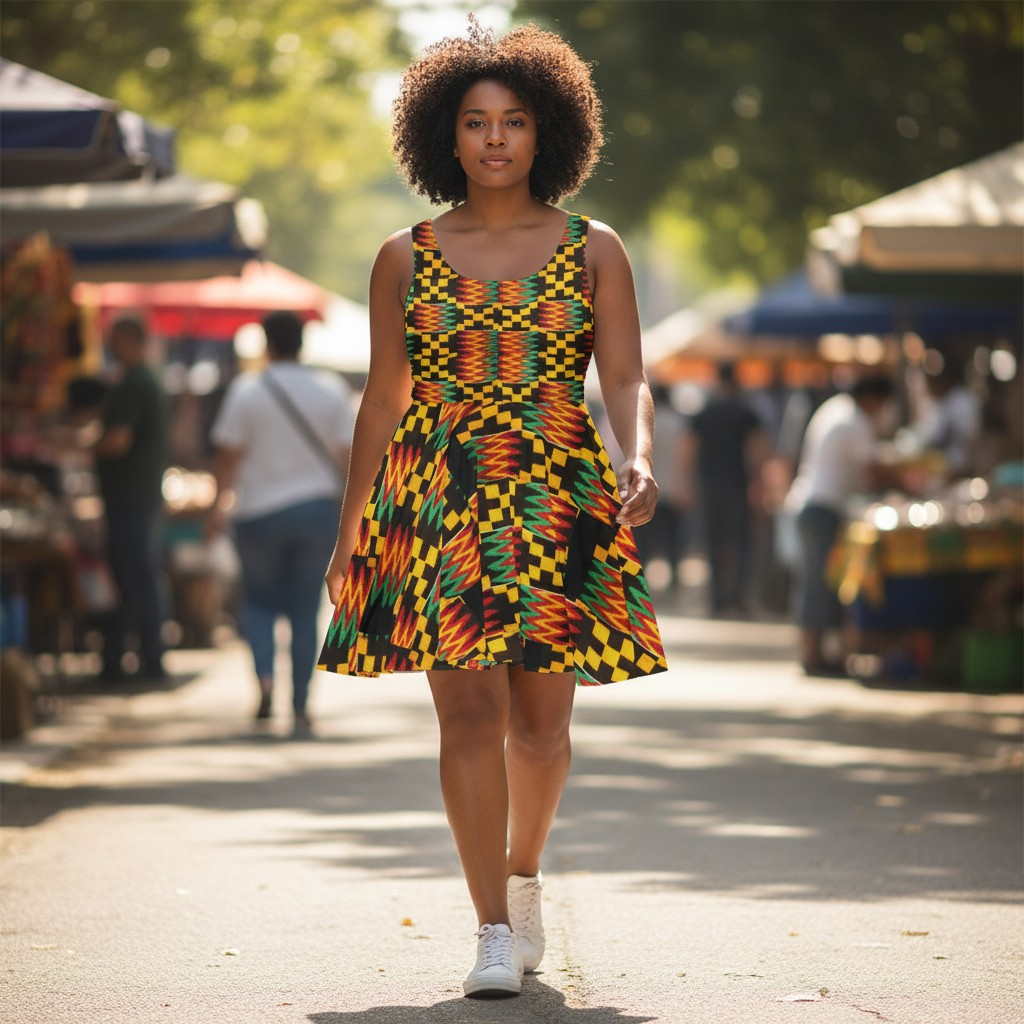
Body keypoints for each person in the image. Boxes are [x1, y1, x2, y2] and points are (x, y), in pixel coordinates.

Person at [317, 21, 667, 1000]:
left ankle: (522, 872)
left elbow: (628, 375)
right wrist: (353, 529)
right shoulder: (403, 256)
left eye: (513, 120)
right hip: (438, 493)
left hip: (558, 488)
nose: (495, 139)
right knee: (466, 708)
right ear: (445, 134)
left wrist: (637, 456)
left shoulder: (595, 249)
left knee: (541, 728)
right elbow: (383, 400)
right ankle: (488, 928)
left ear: (548, 128)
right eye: (474, 122)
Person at [208, 311, 353, 735]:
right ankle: (302, 703)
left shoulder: (247, 391)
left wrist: (217, 508)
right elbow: (347, 457)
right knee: (305, 610)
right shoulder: (329, 390)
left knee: (258, 604)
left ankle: (266, 684)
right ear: (302, 344)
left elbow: (228, 457)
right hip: (316, 513)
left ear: (266, 345)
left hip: (258, 514)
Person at [784, 374, 898, 676]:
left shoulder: (836, 410)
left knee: (818, 582)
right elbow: (872, 469)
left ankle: (816, 653)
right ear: (874, 399)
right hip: (822, 508)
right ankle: (812, 655)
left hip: (813, 505)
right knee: (818, 584)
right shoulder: (853, 420)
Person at [94, 315, 170, 682]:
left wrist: (83, 447)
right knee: (137, 576)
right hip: (137, 495)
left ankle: (149, 659)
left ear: (127, 339)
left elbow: (117, 440)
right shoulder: (144, 379)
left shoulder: (138, 382)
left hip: (131, 497)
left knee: (136, 577)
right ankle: (144, 657)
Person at [687, 362, 768, 617]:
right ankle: (738, 598)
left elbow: (688, 450)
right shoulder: (746, 413)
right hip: (737, 484)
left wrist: (687, 483)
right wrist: (760, 482)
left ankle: (716, 600)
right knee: (741, 542)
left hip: (708, 485)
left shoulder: (703, 413)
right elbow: (759, 452)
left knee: (712, 543)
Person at [634, 382, 690, 589]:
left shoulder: (643, 423)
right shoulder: (678, 422)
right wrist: (684, 485)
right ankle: (674, 578)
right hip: (671, 488)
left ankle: (641, 579)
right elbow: (684, 456)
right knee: (672, 538)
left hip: (644, 488)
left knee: (644, 538)